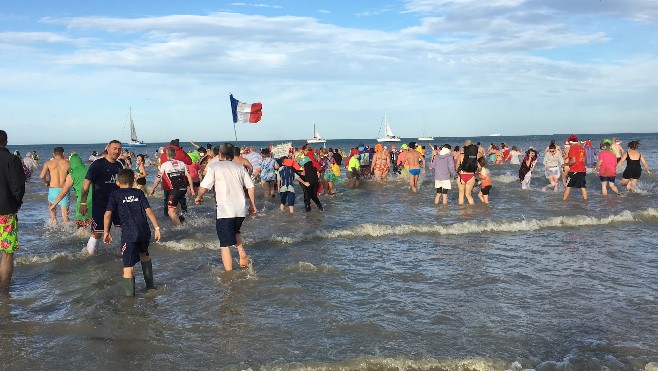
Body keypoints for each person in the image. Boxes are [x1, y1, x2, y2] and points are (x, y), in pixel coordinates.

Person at [195, 143, 257, 271]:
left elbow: (204, 186)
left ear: (219, 154)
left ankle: (229, 275)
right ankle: (241, 252)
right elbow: (250, 186)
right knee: (236, 231)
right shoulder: (240, 167)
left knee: (224, 244)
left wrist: (199, 197)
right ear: (233, 154)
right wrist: (252, 204)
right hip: (240, 209)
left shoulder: (214, 167)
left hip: (225, 210)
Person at [104, 169, 161, 297]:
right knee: (145, 256)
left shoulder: (115, 194)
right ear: (133, 181)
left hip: (129, 233)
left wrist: (106, 232)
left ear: (118, 183)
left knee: (128, 266)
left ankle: (129, 299)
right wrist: (157, 228)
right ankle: (150, 287)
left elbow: (107, 214)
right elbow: (149, 211)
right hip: (144, 231)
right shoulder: (139, 192)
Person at [80, 140, 124, 254]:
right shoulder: (98, 164)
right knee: (97, 233)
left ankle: (123, 253)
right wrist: (83, 203)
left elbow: (122, 184)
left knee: (124, 227)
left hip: (116, 203)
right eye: (114, 148)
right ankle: (89, 256)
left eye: (119, 149)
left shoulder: (119, 165)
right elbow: (86, 184)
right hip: (100, 204)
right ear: (108, 149)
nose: (117, 151)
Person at [0, 130, 26, 289]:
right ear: (6, 141)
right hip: (5, 211)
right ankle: (4, 290)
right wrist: (15, 206)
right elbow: (18, 188)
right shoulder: (12, 159)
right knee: (7, 252)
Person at [49, 153, 94, 232]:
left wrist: (54, 204)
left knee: (82, 229)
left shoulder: (72, 174)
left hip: (82, 202)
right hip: (96, 200)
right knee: (95, 227)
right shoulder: (90, 169)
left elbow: (64, 192)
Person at [150, 147, 195, 225]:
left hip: (175, 190)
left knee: (170, 212)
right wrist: (191, 188)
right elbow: (188, 176)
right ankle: (181, 215)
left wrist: (153, 188)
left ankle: (181, 227)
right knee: (176, 201)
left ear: (167, 155)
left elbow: (158, 178)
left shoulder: (165, 165)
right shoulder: (182, 163)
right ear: (175, 154)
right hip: (183, 188)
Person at [40, 146, 71, 225]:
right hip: (64, 189)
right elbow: (71, 177)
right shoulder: (68, 163)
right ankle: (67, 233)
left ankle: (54, 226)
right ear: (63, 154)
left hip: (53, 189)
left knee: (54, 218)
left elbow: (42, 176)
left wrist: (46, 182)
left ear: (53, 154)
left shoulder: (48, 163)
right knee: (65, 217)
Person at [562, 135, 588, 201]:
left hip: (575, 170)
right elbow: (584, 160)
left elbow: (573, 161)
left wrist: (565, 164)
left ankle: (564, 201)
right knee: (583, 186)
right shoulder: (582, 148)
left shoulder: (572, 148)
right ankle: (585, 201)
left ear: (570, 142)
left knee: (568, 186)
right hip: (582, 170)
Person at [457, 139, 478, 205]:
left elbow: (457, 165)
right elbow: (478, 167)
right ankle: (472, 208)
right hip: (471, 176)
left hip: (462, 176)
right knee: (468, 194)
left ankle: (461, 210)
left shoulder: (461, 156)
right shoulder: (474, 156)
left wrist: (457, 170)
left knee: (461, 194)